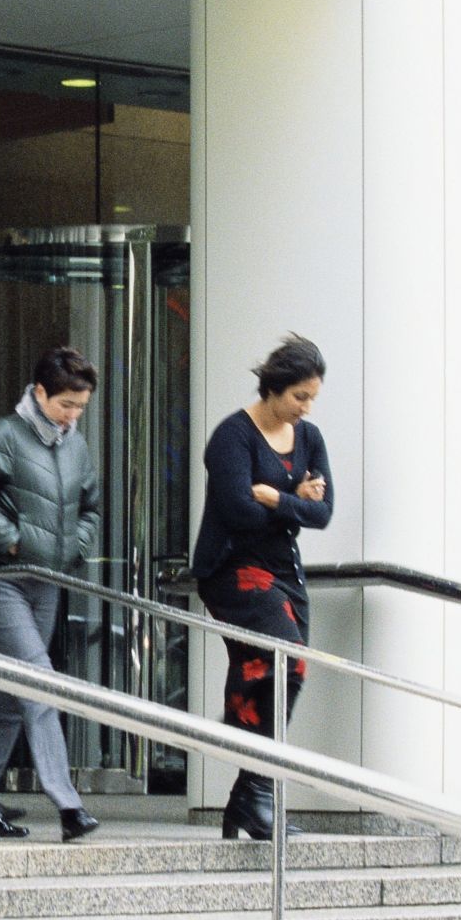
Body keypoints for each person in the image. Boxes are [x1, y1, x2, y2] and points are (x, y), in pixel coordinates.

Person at [0, 346, 103, 843]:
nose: (73, 416)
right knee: (38, 680)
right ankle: (68, 804)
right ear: (39, 393)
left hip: (46, 584)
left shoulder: (76, 445)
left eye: (81, 406)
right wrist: (10, 538)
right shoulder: (5, 436)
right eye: (65, 405)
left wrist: (74, 546)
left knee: (16, 693)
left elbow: (91, 507)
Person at [190, 334, 332, 841]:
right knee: (284, 660)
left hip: (285, 574)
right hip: (233, 570)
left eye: (312, 397)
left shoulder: (309, 438)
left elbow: (323, 512)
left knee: (271, 674)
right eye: (299, 396)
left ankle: (247, 802)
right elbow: (238, 513)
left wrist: (278, 496)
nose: (306, 407)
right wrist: (293, 499)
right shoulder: (233, 437)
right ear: (273, 389)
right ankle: (260, 795)